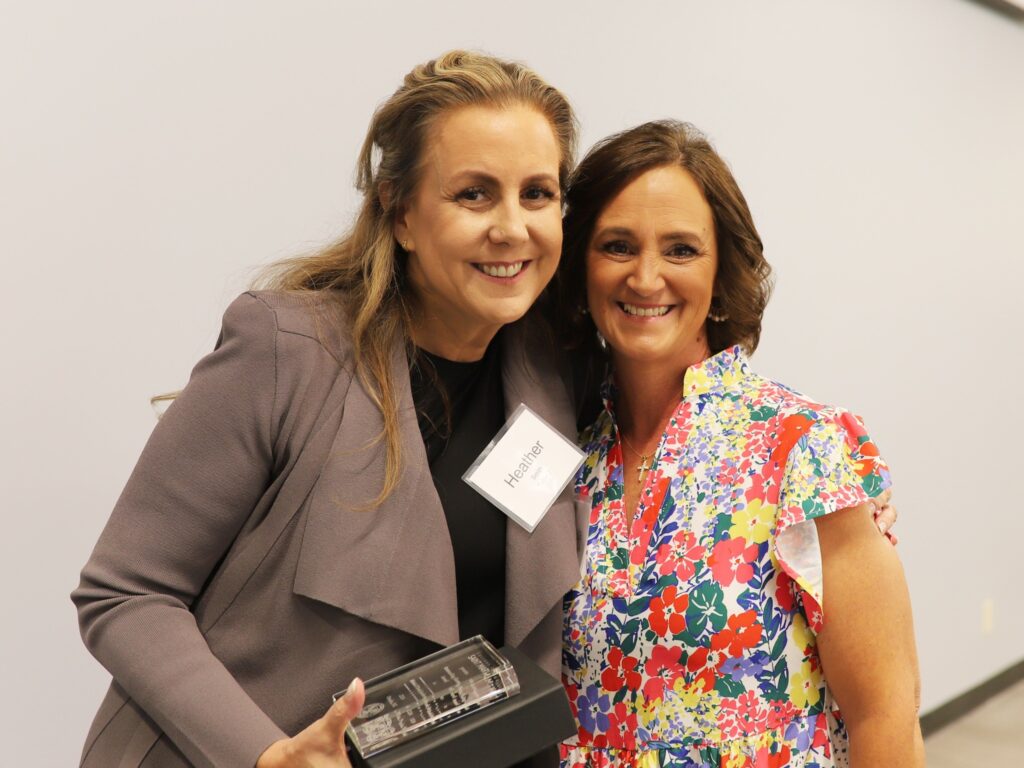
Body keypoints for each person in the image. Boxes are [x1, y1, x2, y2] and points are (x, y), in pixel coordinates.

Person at [72, 50, 583, 768]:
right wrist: (266, 755)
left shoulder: (554, 377)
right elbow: (125, 593)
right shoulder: (287, 350)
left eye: (537, 194)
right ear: (400, 213)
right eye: (473, 194)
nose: (511, 228)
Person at [555, 121, 923, 767]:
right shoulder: (561, 451)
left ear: (722, 271)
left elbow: (884, 714)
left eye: (680, 250)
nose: (646, 277)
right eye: (617, 246)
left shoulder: (804, 447)